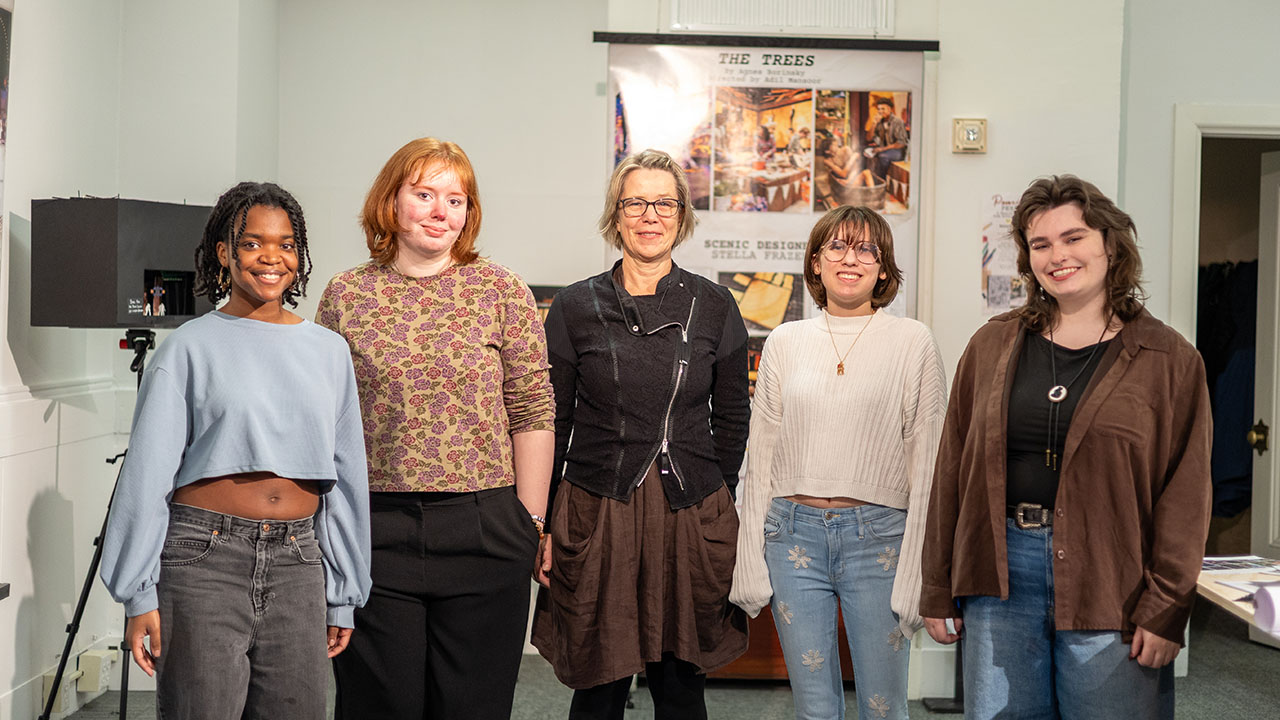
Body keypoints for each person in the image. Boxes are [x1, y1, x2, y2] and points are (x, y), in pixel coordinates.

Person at [920, 175, 1212, 719]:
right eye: (1041, 244)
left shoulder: (1169, 360)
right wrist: (937, 585)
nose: (1058, 255)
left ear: (1109, 242)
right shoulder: (991, 346)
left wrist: (1168, 606)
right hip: (1000, 579)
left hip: (1113, 579)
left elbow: (1186, 495)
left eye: (1073, 238)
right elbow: (951, 473)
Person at [100, 182, 372, 719]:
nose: (272, 257)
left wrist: (344, 587)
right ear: (224, 254)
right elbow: (148, 475)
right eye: (253, 243)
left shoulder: (329, 351)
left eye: (286, 244)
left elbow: (345, 476)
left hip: (299, 561)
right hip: (203, 560)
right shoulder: (188, 347)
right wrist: (139, 593)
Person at [318, 137, 555, 720]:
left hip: (484, 527)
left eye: (456, 200)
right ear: (391, 203)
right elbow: (323, 417)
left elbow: (532, 409)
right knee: (381, 705)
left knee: (473, 707)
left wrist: (529, 523)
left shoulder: (501, 290)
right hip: (376, 531)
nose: (440, 212)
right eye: (424, 195)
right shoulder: (348, 295)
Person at [531, 148, 750, 719]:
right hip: (598, 510)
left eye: (664, 202)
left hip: (689, 513)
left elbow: (732, 419)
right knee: (598, 684)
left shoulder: (716, 305)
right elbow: (553, 421)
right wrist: (544, 522)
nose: (650, 215)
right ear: (616, 213)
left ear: (681, 215)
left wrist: (717, 505)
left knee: (681, 687)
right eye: (636, 202)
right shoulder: (575, 307)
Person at [730, 205, 946, 720]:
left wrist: (922, 569)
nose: (851, 259)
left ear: (884, 267)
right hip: (791, 534)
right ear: (816, 262)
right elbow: (759, 455)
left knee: (884, 704)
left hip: (879, 538)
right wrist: (749, 556)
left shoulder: (913, 341)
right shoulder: (784, 341)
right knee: (814, 706)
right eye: (838, 247)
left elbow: (929, 461)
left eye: (866, 249)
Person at [866, 97, 907, 181]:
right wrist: (874, 124)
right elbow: (869, 138)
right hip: (884, 149)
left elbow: (901, 143)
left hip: (897, 151)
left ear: (889, 109)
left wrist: (882, 149)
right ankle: (870, 180)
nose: (880, 111)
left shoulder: (897, 122)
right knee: (866, 153)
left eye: (883, 109)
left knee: (882, 156)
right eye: (879, 109)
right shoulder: (880, 122)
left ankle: (881, 182)